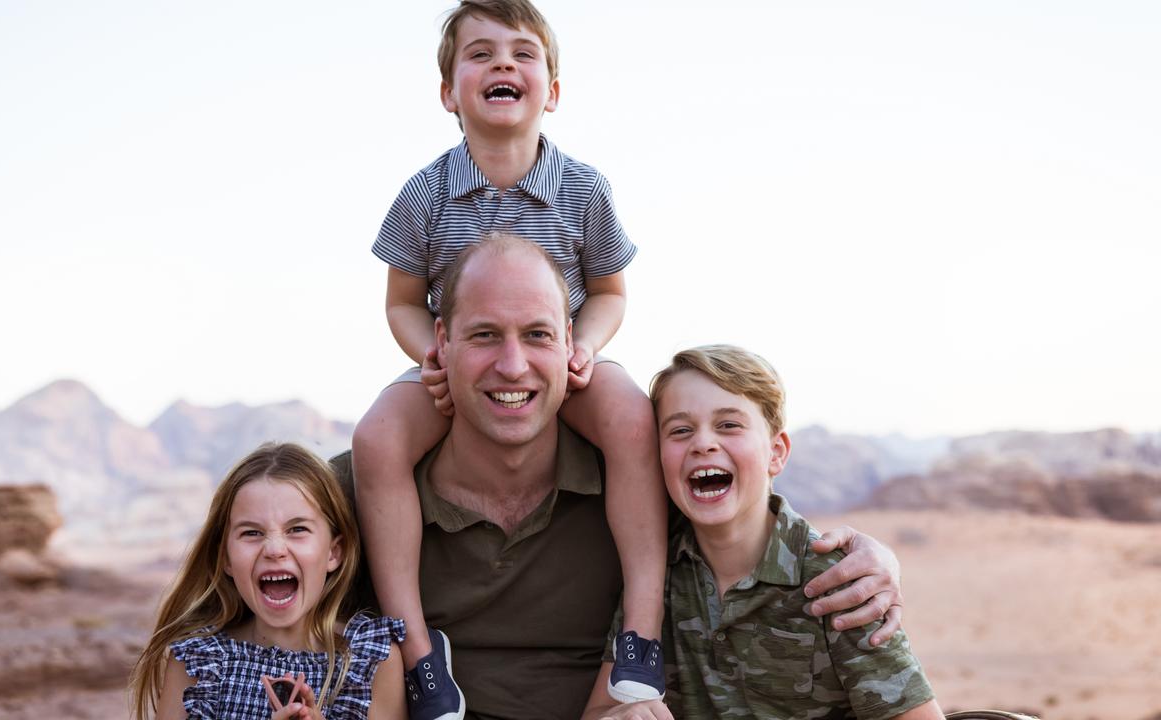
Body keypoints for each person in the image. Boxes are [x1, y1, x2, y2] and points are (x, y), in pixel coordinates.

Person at [333, 235, 906, 720]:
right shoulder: (357, 493)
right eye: (485, 335)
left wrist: (870, 556)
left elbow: (747, 524)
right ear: (441, 343)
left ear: (571, 346)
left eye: (537, 335)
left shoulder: (639, 484)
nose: (513, 365)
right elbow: (257, 560)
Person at [352, 0, 668, 715]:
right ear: (448, 92)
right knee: (376, 438)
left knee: (630, 417)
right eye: (481, 53)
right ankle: (419, 652)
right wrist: (425, 356)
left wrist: (585, 345)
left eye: (523, 54)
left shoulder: (583, 189)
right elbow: (402, 301)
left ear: (551, 92)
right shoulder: (425, 193)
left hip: (564, 363)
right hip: (456, 365)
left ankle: (642, 631)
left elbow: (613, 292)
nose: (503, 64)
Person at [587, 346, 943, 719]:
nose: (703, 443)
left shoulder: (836, 579)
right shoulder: (653, 572)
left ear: (776, 453)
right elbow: (600, 709)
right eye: (680, 430)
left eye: (729, 425)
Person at [129, 443, 406, 720]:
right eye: (252, 533)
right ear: (225, 558)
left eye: (297, 529)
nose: (274, 549)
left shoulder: (372, 660)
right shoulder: (198, 662)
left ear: (334, 552)